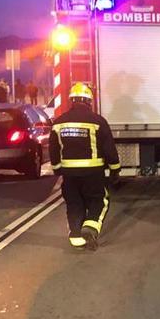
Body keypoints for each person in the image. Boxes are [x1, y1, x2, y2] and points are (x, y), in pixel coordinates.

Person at [50, 83, 121, 251]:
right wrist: (115, 169)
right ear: (89, 101)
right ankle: (90, 228)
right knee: (99, 201)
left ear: (71, 101)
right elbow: (109, 148)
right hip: (93, 172)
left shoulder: (58, 123)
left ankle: (76, 237)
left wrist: (57, 168)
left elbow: (53, 149)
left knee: (74, 203)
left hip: (69, 174)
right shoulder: (98, 122)